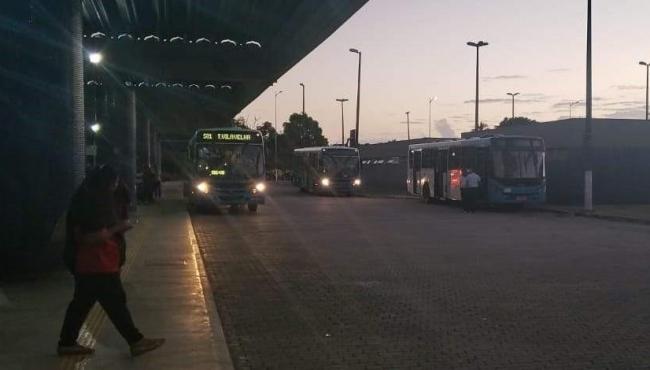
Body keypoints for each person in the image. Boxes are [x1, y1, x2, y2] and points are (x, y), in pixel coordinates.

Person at [58, 165, 165, 357]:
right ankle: (136, 341)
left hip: (95, 264)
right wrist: (119, 227)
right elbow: (89, 237)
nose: (115, 187)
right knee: (114, 303)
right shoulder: (92, 203)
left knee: (83, 303)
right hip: (96, 264)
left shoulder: (88, 196)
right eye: (114, 183)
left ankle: (67, 342)